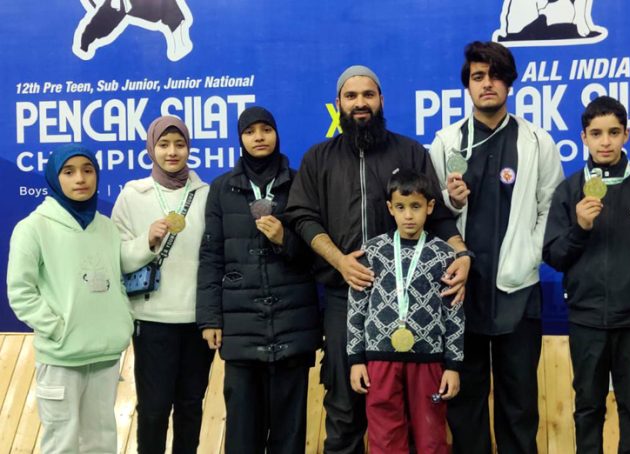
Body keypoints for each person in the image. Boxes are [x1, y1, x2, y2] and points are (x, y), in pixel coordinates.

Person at [286, 65, 470, 454]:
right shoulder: (319, 158)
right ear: (338, 104)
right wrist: (340, 261)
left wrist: (463, 254)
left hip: (413, 307)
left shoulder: (409, 152)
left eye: (368, 95)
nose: (360, 103)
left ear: (381, 100)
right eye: (351, 97)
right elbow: (301, 217)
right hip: (346, 298)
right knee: (345, 405)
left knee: (417, 420)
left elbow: (438, 215)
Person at [428, 41, 564, 453]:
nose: (487, 84)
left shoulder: (538, 142)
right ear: (467, 86)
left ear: (509, 82)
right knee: (465, 404)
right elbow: (430, 213)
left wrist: (527, 257)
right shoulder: (446, 142)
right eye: (478, 76)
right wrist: (453, 200)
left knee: (519, 404)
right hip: (459, 294)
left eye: (496, 75)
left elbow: (551, 210)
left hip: (517, 293)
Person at [543, 95, 630, 453]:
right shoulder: (569, 190)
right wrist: (581, 227)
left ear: (626, 135)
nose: (606, 141)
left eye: (613, 132)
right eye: (597, 133)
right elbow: (554, 256)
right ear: (583, 137)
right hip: (586, 321)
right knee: (587, 409)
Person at [197, 106, 321, 454]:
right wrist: (210, 319)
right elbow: (211, 257)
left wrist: (285, 239)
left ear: (277, 134)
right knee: (242, 435)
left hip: (292, 327)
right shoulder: (222, 188)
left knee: (289, 435)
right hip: (241, 329)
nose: (259, 137)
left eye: (266, 129)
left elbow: (317, 253)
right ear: (240, 139)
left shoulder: (299, 183)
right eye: (250, 132)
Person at [7, 144, 133, 453]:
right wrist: (58, 327)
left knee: (101, 441)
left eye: (88, 170)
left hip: (104, 354)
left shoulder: (106, 226)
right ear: (55, 177)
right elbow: (21, 292)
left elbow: (118, 275)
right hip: (62, 357)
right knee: (61, 443)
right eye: (69, 171)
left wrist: (121, 318)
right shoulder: (32, 228)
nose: (80, 179)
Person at [111, 116, 214, 453]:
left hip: (196, 322)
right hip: (152, 321)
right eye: (164, 145)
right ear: (151, 148)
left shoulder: (206, 195)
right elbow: (117, 259)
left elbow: (215, 258)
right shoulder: (132, 194)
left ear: (189, 148)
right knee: (154, 411)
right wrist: (148, 241)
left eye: (180, 144)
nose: (172, 152)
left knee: (190, 407)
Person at [347, 169, 464, 454]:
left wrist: (453, 365)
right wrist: (355, 358)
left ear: (430, 207)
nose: (408, 216)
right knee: (385, 437)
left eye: (416, 207)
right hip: (379, 359)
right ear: (390, 208)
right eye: (401, 207)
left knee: (432, 437)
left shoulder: (443, 254)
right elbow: (356, 305)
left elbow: (455, 311)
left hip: (429, 360)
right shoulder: (373, 251)